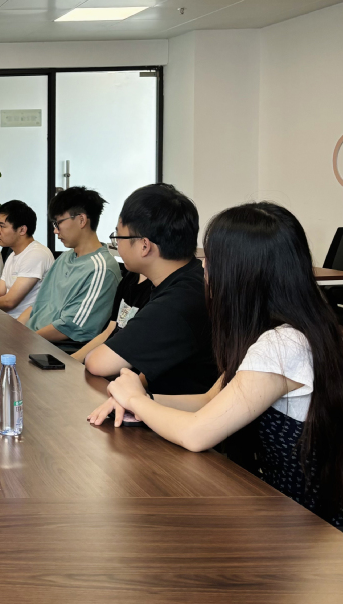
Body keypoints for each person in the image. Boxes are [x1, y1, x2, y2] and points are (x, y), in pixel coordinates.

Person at [90, 203, 343, 529]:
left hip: (305, 525)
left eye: (211, 259)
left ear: (242, 272)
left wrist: (137, 399)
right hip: (275, 507)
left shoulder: (284, 345)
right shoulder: (284, 329)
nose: (204, 267)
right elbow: (211, 400)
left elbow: (196, 434)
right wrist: (140, 401)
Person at [80, 184, 217, 395]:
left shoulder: (179, 300)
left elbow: (98, 363)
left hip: (176, 411)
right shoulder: (189, 277)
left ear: (145, 246)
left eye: (118, 237)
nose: (116, 244)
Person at [19, 186, 120, 345]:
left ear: (81, 220)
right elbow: (38, 305)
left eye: (58, 223)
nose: (55, 231)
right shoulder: (65, 258)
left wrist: (24, 340)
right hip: (32, 339)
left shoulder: (101, 269)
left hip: (53, 348)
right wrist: (15, 331)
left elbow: (69, 327)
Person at [0, 200, 54, 318]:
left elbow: (9, 302)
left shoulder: (36, 254)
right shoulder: (13, 255)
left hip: (25, 325)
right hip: (6, 319)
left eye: (2, 226)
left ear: (22, 230)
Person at [71, 267, 152, 362]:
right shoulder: (129, 277)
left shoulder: (156, 293)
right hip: (108, 356)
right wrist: (72, 361)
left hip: (123, 363)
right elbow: (110, 330)